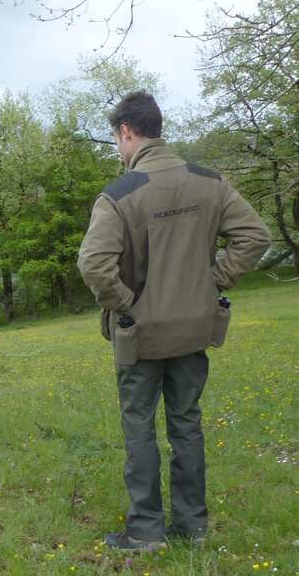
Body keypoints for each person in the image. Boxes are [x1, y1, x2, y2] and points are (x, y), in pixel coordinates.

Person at [78, 91, 271, 551]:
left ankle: (145, 530)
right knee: (187, 423)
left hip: (139, 336)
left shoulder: (120, 195)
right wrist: (212, 284)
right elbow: (255, 236)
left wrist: (128, 306)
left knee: (139, 426)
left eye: (117, 140)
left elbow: (93, 265)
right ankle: (192, 526)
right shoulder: (210, 182)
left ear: (126, 131)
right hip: (193, 330)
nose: (120, 150)